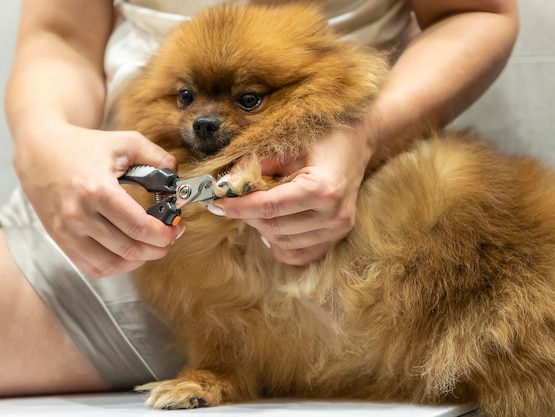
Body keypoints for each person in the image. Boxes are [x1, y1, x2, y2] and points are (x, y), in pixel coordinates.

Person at [0, 0, 519, 397]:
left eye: (247, 99)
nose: (204, 118)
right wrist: (44, 143)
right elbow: (58, 35)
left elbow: (476, 10)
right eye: (187, 99)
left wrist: (366, 134)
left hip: (360, 182)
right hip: (114, 205)